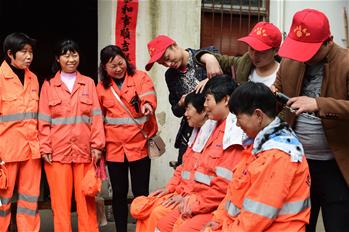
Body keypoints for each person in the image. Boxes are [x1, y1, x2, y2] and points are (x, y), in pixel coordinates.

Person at [273, 8, 349, 232]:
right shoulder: (290, 62)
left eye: (310, 51)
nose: (303, 57)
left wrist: (320, 104)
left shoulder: (345, 64)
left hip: (337, 166)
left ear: (329, 42)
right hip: (299, 164)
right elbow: (277, 91)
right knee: (299, 226)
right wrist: (271, 94)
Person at [204, 82, 310, 232]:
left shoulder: (278, 155)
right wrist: (218, 220)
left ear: (258, 115)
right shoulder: (259, 144)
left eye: (239, 118)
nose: (237, 125)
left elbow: (256, 219)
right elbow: (235, 192)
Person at [153, 75, 245, 232]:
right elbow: (193, 169)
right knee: (161, 225)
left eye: (208, 100)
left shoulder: (233, 134)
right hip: (196, 199)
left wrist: (194, 203)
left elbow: (223, 187)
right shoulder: (210, 128)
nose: (205, 105)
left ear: (226, 100)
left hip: (214, 206)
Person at [38, 39, 105, 232]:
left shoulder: (89, 83)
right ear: (58, 59)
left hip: (85, 152)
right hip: (57, 154)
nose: (71, 59)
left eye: (74, 54)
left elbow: (96, 117)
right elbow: (43, 121)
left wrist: (97, 146)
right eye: (66, 55)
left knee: (87, 200)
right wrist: (45, 147)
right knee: (60, 204)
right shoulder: (49, 86)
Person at [96, 45, 158, 232]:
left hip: (139, 145)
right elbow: (97, 117)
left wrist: (148, 105)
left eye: (120, 63)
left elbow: (149, 95)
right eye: (112, 65)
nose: (118, 68)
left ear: (125, 60)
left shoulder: (140, 77)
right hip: (114, 149)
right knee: (119, 194)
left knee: (141, 194)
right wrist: (98, 145)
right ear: (104, 68)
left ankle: (142, 229)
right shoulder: (101, 88)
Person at [131, 91, 209, 232]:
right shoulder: (195, 134)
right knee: (142, 209)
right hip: (180, 193)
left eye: (188, 109)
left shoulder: (214, 139)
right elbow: (182, 168)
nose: (185, 114)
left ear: (203, 111)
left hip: (192, 199)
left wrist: (185, 196)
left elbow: (204, 179)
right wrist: (169, 188)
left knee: (156, 213)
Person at [145, 35, 217, 168]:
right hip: (191, 131)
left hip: (215, 128)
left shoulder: (207, 56)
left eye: (167, 58)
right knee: (186, 169)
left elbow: (227, 86)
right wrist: (181, 103)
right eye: (162, 63)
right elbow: (175, 110)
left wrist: (210, 81)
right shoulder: (170, 76)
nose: (168, 64)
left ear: (175, 46)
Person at [0, 32, 41, 232]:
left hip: (31, 149)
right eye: (23, 52)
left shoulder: (33, 78)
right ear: (10, 53)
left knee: (29, 199)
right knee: (2, 200)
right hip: (6, 151)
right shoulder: (0, 78)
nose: (28, 56)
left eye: (30, 52)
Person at [195, 22, 282, 87]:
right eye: (251, 48)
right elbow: (197, 56)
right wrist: (209, 58)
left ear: (276, 51)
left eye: (261, 51)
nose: (254, 55)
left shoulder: (284, 74)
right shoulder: (243, 63)